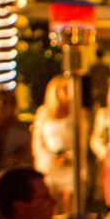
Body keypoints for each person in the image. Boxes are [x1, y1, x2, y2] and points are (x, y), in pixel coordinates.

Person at [32, 75, 79, 211]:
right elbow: (38, 142)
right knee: (51, 204)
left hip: (70, 166)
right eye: (64, 89)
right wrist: (51, 158)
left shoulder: (77, 114)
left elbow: (81, 141)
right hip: (50, 166)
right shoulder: (44, 114)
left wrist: (69, 156)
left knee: (69, 204)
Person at [0, 85, 32, 173]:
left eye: (5, 102)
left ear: (13, 105)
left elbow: (27, 156)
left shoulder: (21, 130)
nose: (0, 105)